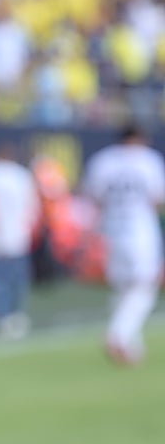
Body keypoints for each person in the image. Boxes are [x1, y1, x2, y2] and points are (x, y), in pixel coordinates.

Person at [82, 125, 165, 365]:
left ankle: (130, 346)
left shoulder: (103, 160)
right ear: (139, 138)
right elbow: (157, 198)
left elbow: (93, 197)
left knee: (123, 288)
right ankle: (118, 334)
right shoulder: (148, 160)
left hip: (110, 230)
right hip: (140, 230)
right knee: (144, 286)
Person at [0, 147, 40, 339]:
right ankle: (13, 316)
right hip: (18, 236)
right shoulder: (21, 175)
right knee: (15, 279)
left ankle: (0, 318)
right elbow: (33, 208)